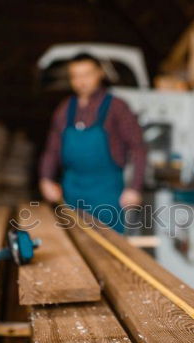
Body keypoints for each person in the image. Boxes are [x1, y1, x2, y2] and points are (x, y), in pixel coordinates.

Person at [39, 53, 146, 232]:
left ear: (100, 73)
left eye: (87, 74)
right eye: (76, 76)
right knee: (74, 242)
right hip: (72, 190)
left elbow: (138, 148)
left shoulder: (117, 107)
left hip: (107, 192)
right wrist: (46, 179)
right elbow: (52, 149)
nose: (81, 81)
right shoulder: (64, 109)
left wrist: (135, 188)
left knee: (109, 246)